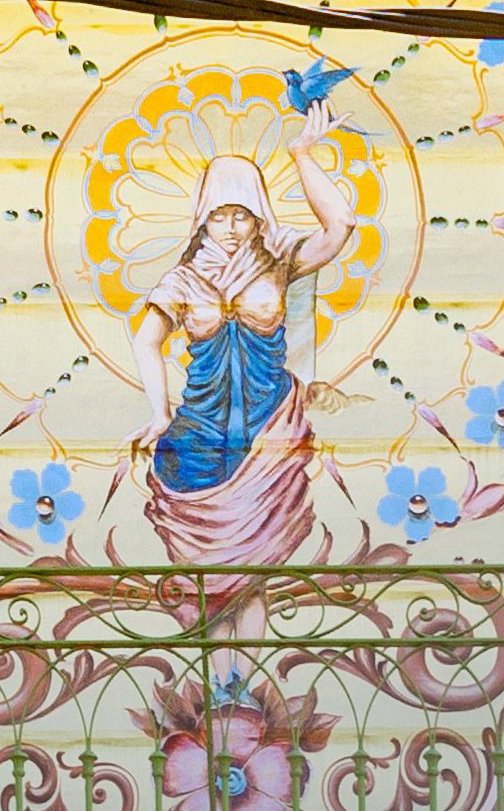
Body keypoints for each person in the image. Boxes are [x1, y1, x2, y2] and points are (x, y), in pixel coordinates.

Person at [131, 139, 360, 572]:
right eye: (219, 216)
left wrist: (301, 154)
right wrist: (160, 413)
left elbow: (341, 225)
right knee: (206, 567)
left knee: (258, 566)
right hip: (201, 428)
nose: (231, 227)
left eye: (241, 215)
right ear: (204, 219)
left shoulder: (280, 263)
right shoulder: (183, 279)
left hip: (270, 426)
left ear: (259, 219)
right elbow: (146, 341)